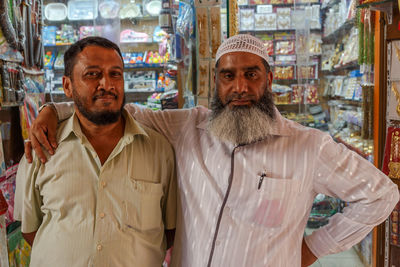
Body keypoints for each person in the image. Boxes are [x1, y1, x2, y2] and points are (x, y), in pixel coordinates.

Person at [26, 34, 399, 267]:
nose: (240, 86)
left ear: (269, 79)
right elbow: (112, 108)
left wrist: (313, 248)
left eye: (251, 74)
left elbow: (381, 195)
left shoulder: (307, 145)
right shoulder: (188, 127)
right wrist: (52, 110)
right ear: (215, 81)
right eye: (228, 75)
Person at [14, 37, 177, 267]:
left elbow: (168, 231)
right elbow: (30, 231)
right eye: (92, 74)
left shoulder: (160, 151)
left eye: (115, 74)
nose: (106, 84)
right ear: (67, 86)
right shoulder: (42, 150)